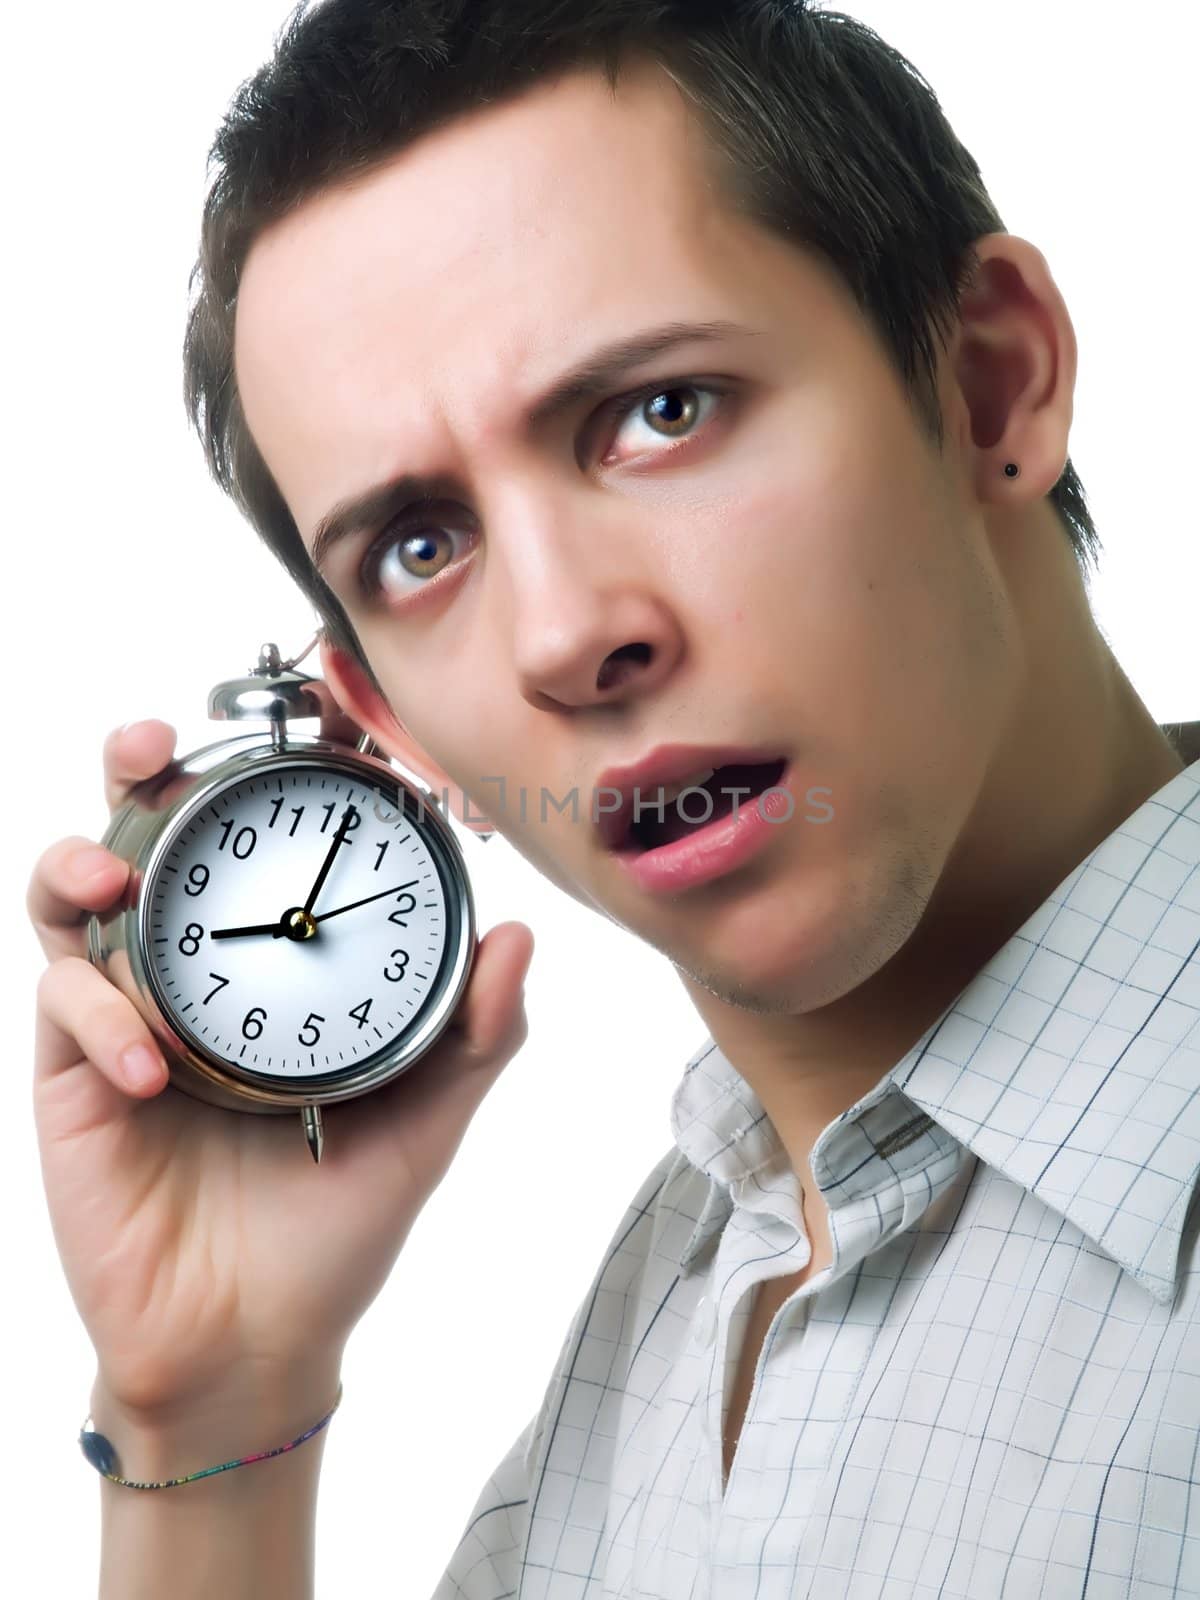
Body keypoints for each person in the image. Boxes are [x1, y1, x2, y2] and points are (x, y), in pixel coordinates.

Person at [26, 1, 1200, 1594]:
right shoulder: (663, 1327)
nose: (570, 635)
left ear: (992, 386)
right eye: (422, 548)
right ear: (389, 725)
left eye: (660, 413)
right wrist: (216, 1409)